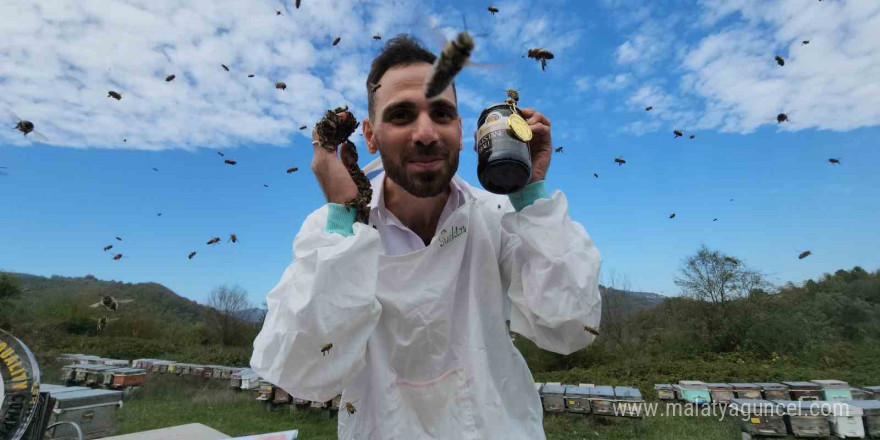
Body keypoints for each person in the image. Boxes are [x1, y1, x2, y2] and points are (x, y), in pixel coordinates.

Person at [251, 35, 602, 440]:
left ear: (460, 127)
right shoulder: (335, 232)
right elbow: (302, 369)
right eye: (401, 115)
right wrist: (342, 217)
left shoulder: (500, 217)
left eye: (441, 113)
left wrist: (531, 195)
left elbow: (571, 326)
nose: (425, 133)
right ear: (369, 135)